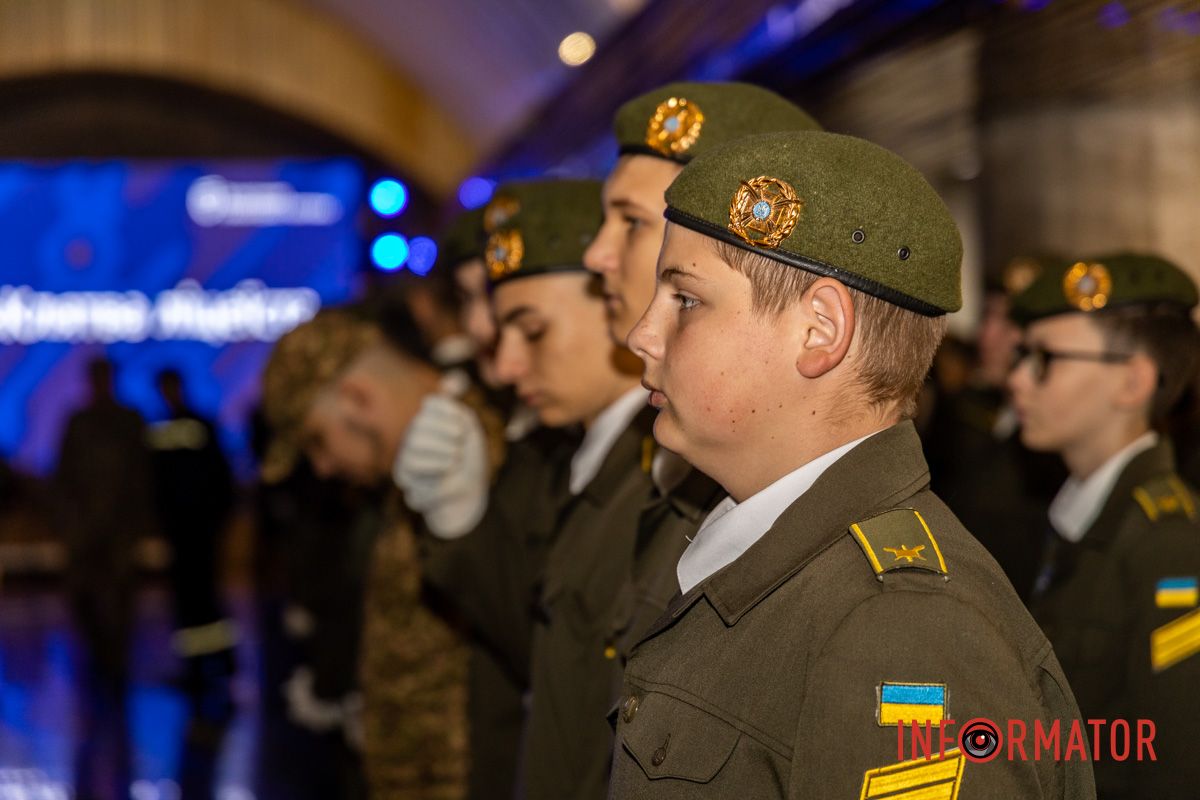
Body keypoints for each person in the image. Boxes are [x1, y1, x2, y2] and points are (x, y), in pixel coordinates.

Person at [610, 130, 1095, 798]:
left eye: (686, 299)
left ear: (821, 331)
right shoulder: (780, 560)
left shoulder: (904, 632)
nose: (643, 333)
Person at [261, 308, 487, 800]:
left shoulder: (480, 447)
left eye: (317, 441)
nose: (321, 468)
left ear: (358, 398)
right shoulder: (395, 484)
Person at [1008, 253, 1200, 799]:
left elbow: (1177, 765)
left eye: (1044, 358)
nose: (1016, 377)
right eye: (1022, 355)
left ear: (1132, 382)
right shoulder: (1076, 517)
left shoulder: (1170, 546)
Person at [56, 356, 155, 800]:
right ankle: (97, 670)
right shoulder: (78, 423)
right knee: (85, 607)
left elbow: (141, 476)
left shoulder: (128, 421)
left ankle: (114, 674)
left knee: (119, 609)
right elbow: (64, 477)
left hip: (118, 534)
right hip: (86, 535)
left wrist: (136, 526)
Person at [148, 368, 237, 716]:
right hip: (181, 531)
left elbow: (219, 476)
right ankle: (198, 669)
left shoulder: (199, 425)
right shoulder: (160, 431)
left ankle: (221, 665)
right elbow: (156, 483)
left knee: (206, 598)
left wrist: (217, 520)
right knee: (188, 600)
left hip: (201, 529)